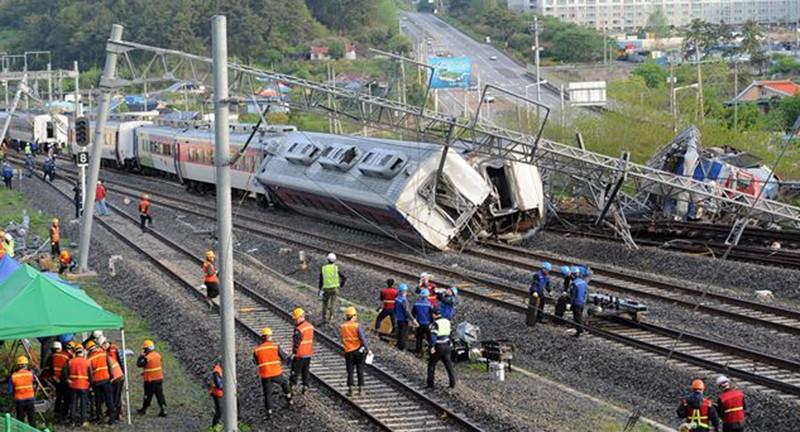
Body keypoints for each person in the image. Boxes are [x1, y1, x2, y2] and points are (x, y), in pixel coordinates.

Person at [252, 327, 292, 419]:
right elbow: (284, 357)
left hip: (265, 375)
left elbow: (256, 362)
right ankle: (289, 399)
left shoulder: (257, 350)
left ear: (262, 337)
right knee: (285, 383)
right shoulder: (275, 346)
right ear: (269, 336)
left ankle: (269, 412)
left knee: (267, 394)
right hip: (276, 372)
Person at [340, 306, 369, 396]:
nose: (356, 317)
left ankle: (351, 389)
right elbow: (362, 338)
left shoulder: (343, 326)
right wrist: (367, 348)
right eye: (355, 315)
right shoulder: (357, 325)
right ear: (352, 316)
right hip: (359, 350)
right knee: (360, 369)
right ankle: (361, 389)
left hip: (348, 351)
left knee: (350, 370)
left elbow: (343, 338)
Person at [86, 341, 117, 424]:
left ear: (88, 350)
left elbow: (90, 373)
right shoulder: (104, 354)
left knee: (98, 402)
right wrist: (112, 376)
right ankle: (112, 419)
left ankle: (100, 418)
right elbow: (110, 365)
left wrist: (91, 384)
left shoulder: (89, 359)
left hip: (97, 382)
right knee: (109, 400)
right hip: (106, 380)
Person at [137, 339, 167, 417]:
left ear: (147, 349)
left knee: (147, 395)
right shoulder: (158, 355)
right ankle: (163, 409)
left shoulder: (147, 357)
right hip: (159, 378)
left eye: (144, 349)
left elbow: (139, 364)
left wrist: (141, 356)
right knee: (160, 394)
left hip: (150, 380)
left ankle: (144, 409)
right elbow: (155, 365)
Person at [427, 308, 456, 389]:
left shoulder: (435, 324)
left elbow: (433, 337)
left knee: (432, 365)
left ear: (433, 315)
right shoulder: (447, 321)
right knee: (448, 365)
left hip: (438, 346)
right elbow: (450, 333)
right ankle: (452, 383)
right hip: (447, 345)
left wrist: (432, 346)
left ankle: (430, 384)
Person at [44, 341, 71, 423]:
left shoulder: (51, 357)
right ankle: (65, 414)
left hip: (56, 380)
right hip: (65, 380)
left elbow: (48, 369)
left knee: (58, 397)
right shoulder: (67, 356)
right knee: (66, 397)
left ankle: (57, 414)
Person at [65, 345, 92, 427]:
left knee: (73, 404)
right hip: (84, 386)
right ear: (82, 354)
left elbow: (64, 372)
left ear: (75, 353)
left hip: (73, 386)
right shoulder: (87, 362)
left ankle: (72, 421)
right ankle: (83, 421)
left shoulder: (70, 361)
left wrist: (67, 380)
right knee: (83, 404)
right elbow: (90, 374)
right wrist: (91, 384)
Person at [100, 337, 125, 422]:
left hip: (117, 377)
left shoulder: (113, 349)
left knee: (116, 397)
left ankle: (117, 414)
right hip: (116, 376)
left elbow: (120, 361)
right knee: (114, 396)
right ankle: (113, 413)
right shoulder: (106, 353)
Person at [290, 308, 314, 396]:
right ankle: (305, 387)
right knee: (305, 371)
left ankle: (292, 388)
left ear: (301, 317)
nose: (294, 321)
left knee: (294, 372)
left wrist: (294, 353)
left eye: (295, 319)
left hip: (299, 354)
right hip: (308, 354)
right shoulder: (310, 326)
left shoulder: (299, 329)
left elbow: (297, 343)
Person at [8, 355, 37, 427]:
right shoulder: (30, 374)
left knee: (20, 420)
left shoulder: (13, 376)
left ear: (18, 365)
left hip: (19, 400)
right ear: (26, 365)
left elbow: (10, 390)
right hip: (30, 399)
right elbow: (35, 381)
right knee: (32, 419)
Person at [319, 252, 347, 324]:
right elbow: (344, 277)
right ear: (334, 260)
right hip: (335, 288)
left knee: (325, 303)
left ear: (327, 259)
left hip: (326, 289)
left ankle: (324, 318)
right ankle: (330, 318)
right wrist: (341, 285)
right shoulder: (336, 268)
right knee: (333, 304)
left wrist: (320, 288)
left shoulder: (324, 268)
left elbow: (321, 280)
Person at [394, 284, 417, 351]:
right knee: (404, 334)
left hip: (398, 318)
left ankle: (398, 344)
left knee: (399, 332)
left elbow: (394, 309)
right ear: (404, 291)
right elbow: (407, 311)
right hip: (404, 319)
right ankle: (402, 347)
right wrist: (413, 320)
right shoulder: (404, 300)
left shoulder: (397, 299)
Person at [412, 289, 433, 354]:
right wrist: (431, 322)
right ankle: (431, 351)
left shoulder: (416, 304)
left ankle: (418, 351)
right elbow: (431, 315)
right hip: (427, 323)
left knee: (419, 338)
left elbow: (413, 314)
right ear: (427, 296)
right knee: (430, 338)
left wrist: (414, 322)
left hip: (419, 323)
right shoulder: (429, 304)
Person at [569, 267, 588, 337]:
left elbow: (572, 295)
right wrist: (584, 300)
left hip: (576, 303)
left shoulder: (574, 284)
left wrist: (570, 303)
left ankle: (579, 331)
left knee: (577, 318)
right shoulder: (583, 282)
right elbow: (586, 292)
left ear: (573, 274)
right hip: (582, 302)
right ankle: (581, 329)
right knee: (580, 316)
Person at [209, 361, 223, 428]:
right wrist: (228, 387)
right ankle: (214, 426)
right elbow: (218, 384)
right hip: (217, 394)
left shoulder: (220, 369)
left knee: (220, 411)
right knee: (219, 412)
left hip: (221, 393)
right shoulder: (217, 371)